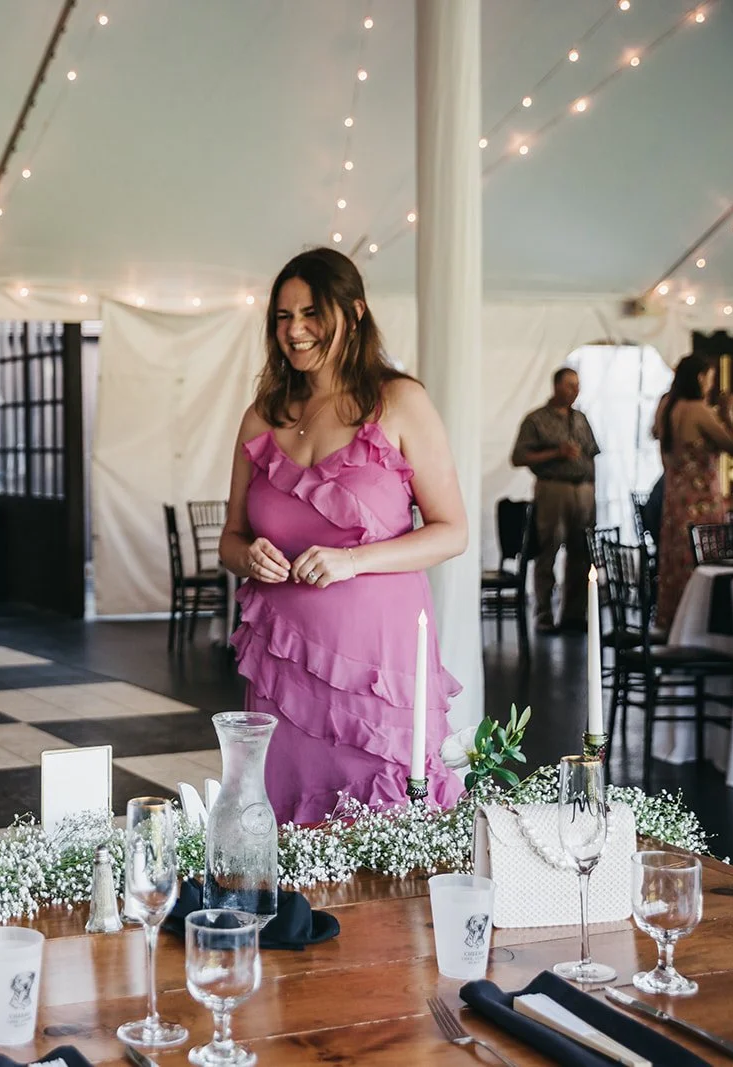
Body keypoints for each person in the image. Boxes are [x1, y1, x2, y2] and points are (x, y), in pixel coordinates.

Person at [218, 248, 467, 825]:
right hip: (281, 659)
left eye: (311, 313)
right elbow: (230, 539)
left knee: (382, 826)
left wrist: (353, 561)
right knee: (281, 828)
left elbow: (451, 532)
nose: (295, 330)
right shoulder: (263, 416)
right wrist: (247, 556)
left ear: (353, 314)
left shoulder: (401, 402)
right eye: (283, 316)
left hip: (375, 661)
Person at [653, 354, 733, 630]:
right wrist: (727, 413)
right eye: (710, 378)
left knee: (675, 561)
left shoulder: (666, 407)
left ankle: (674, 621)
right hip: (701, 502)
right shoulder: (697, 410)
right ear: (700, 377)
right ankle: (698, 626)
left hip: (674, 500)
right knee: (701, 562)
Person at [509, 367, 601, 634]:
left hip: (583, 491)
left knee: (581, 553)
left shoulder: (581, 419)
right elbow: (518, 457)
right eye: (570, 385)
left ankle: (574, 613)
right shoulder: (537, 420)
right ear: (556, 386)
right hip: (553, 490)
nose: (575, 390)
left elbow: (593, 452)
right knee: (548, 550)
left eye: (578, 385)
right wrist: (555, 453)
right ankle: (544, 614)